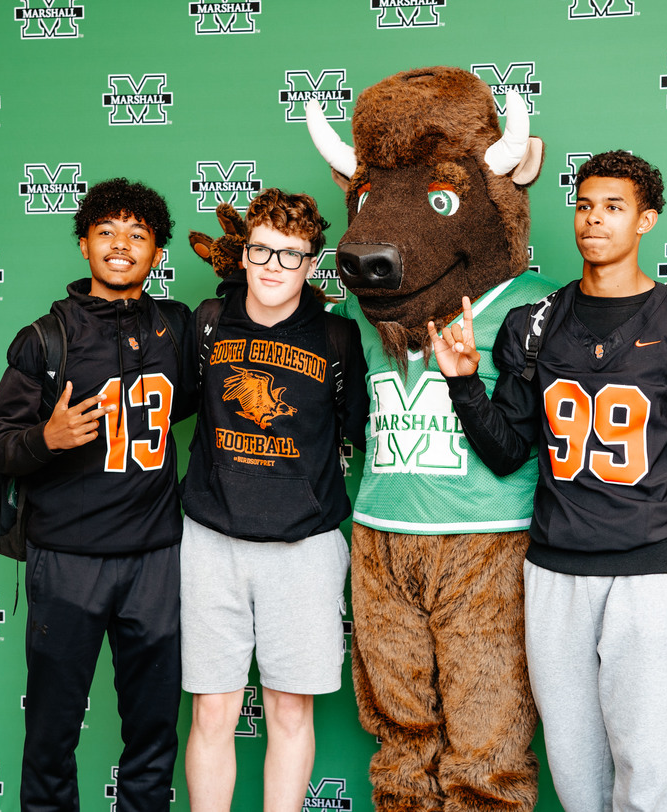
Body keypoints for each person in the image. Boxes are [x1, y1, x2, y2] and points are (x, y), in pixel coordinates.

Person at [428, 150, 667, 812]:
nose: (594, 219)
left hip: (653, 571)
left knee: (645, 769)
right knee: (573, 768)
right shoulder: (535, 324)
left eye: (614, 207)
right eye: (585, 205)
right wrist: (464, 385)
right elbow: (508, 452)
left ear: (646, 221)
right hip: (556, 570)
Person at [0, 178, 189, 812]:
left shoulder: (177, 327)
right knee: (52, 734)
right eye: (106, 231)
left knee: (153, 735)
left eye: (137, 234)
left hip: (154, 560)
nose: (120, 244)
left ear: (157, 252)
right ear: (84, 245)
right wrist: (45, 438)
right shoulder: (46, 338)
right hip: (67, 561)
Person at [178, 188, 369, 812]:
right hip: (212, 540)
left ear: (312, 264)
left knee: (289, 710)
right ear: (243, 253)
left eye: (291, 255)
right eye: (261, 250)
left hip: (305, 547)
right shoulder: (208, 322)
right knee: (213, 709)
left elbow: (364, 429)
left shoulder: (337, 337)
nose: (273, 266)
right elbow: (173, 404)